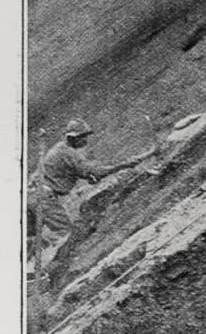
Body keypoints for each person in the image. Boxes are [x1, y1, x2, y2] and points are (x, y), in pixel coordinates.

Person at [27, 119, 155, 288]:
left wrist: (91, 176)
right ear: (72, 138)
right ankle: (35, 274)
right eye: (83, 136)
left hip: (30, 194)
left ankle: (25, 272)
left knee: (29, 237)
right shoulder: (68, 153)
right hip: (42, 196)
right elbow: (96, 171)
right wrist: (125, 164)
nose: (86, 140)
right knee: (63, 232)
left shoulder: (60, 150)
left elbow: (84, 173)